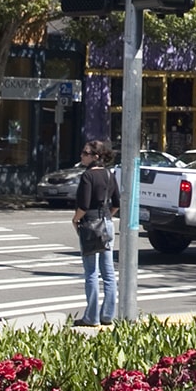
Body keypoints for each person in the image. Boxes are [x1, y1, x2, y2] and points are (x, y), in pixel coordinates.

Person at [72, 138, 120, 327]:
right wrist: (106, 216)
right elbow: (116, 203)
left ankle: (91, 317)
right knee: (108, 272)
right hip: (106, 222)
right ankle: (107, 315)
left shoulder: (87, 176)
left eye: (85, 153)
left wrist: (75, 219)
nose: (82, 156)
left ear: (95, 156)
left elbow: (83, 205)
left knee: (91, 272)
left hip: (90, 224)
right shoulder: (109, 174)